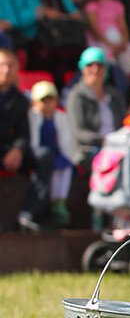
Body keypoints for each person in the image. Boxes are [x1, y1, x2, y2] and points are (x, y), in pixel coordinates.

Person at [8, 0, 87, 84]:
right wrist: (40, 12)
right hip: (34, 39)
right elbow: (15, 20)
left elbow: (72, 10)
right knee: (49, 57)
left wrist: (75, 15)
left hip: (63, 37)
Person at [65, 47, 128, 172]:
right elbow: (79, 133)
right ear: (83, 69)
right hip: (89, 150)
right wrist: (104, 140)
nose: (95, 69)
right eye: (90, 65)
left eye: (100, 65)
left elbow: (123, 124)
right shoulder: (76, 96)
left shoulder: (115, 95)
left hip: (118, 146)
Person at [22, 79, 73, 229]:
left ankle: (59, 202)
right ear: (35, 102)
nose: (47, 105)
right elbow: (33, 143)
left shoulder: (61, 117)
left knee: (65, 168)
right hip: (38, 155)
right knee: (49, 163)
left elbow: (65, 142)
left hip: (54, 154)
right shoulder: (32, 116)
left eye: (50, 100)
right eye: (43, 101)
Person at [0, 47, 33, 230]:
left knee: (42, 158)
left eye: (10, 65)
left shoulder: (20, 99)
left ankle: (27, 215)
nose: (6, 70)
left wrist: (17, 150)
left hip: (6, 149)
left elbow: (23, 133)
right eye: (2, 65)